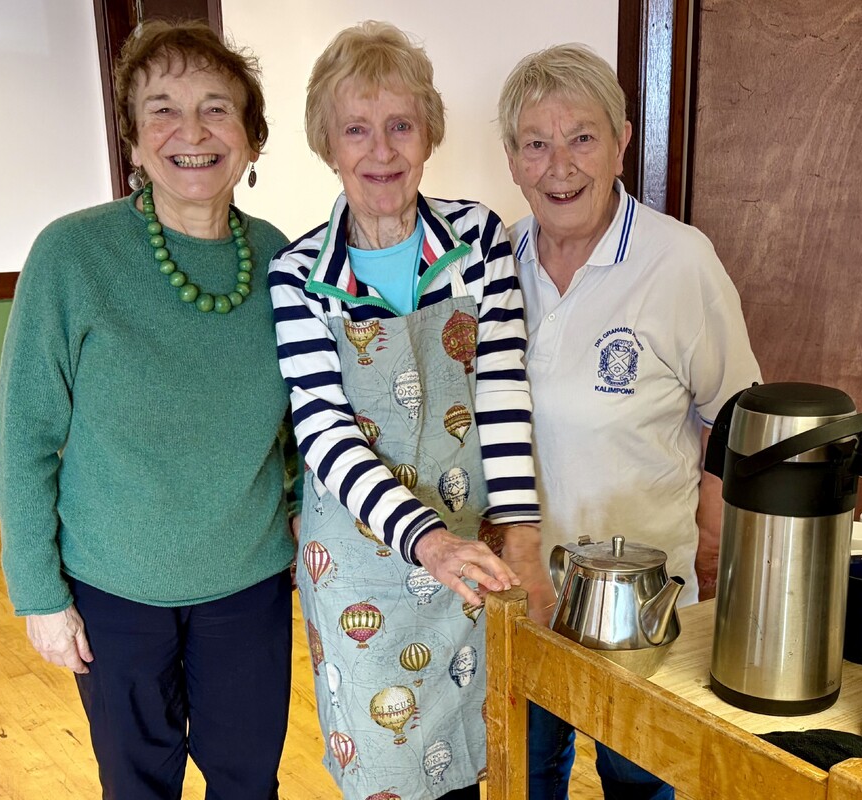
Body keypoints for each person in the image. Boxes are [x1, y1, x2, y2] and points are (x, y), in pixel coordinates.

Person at [0, 21, 295, 799]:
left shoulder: (282, 259)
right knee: (136, 784)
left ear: (253, 138)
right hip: (113, 589)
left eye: (217, 109)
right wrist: (39, 593)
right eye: (161, 110)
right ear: (131, 141)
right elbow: (23, 436)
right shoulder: (73, 254)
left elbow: (305, 418)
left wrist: (299, 511)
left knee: (246, 780)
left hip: (248, 584)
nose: (190, 132)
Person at [268, 21, 555, 800]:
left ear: (428, 132)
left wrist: (522, 538)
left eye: (400, 125)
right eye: (356, 129)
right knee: (386, 768)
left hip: (474, 546)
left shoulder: (476, 241)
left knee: (484, 749)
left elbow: (501, 393)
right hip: (360, 564)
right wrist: (421, 538)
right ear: (328, 144)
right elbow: (323, 432)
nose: (381, 150)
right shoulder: (298, 274)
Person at [497, 44, 763, 799]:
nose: (559, 165)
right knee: (526, 773)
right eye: (535, 143)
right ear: (513, 161)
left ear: (621, 144)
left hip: (644, 601)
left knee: (642, 779)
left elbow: (738, 414)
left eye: (582, 137)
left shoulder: (679, 262)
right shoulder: (495, 261)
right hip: (526, 592)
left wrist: (710, 552)